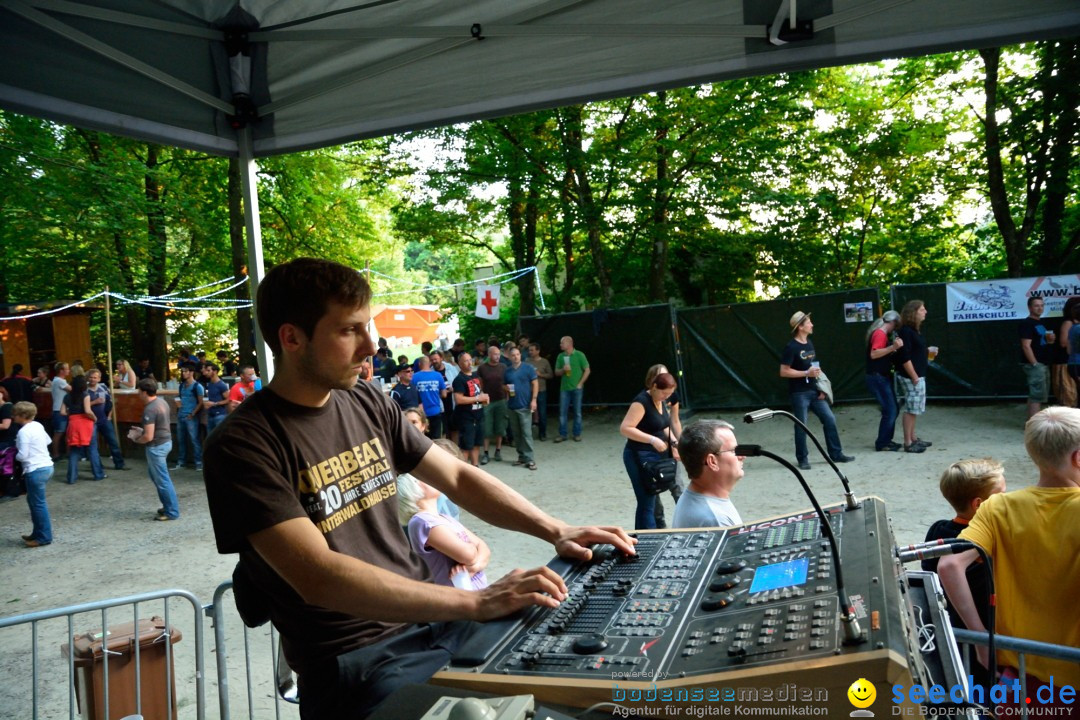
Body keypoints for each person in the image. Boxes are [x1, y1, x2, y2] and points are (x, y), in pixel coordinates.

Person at [201, 257, 634, 720]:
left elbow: (457, 475)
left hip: (437, 622)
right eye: (350, 330)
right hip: (357, 665)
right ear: (292, 338)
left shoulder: (364, 399)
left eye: (369, 327)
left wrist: (556, 530)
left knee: (597, 691)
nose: (372, 345)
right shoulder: (242, 445)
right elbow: (320, 576)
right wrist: (476, 601)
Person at [938, 407, 1080, 712]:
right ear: (1077, 458)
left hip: (1018, 673)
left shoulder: (997, 507)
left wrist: (980, 640)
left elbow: (949, 564)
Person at [921, 458, 1005, 690]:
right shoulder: (983, 542)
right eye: (1002, 495)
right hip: (980, 636)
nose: (1007, 500)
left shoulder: (938, 530)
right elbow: (950, 567)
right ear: (979, 504)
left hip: (949, 632)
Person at [779, 312, 854, 470]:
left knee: (830, 419)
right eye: (809, 322)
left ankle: (836, 454)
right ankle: (802, 459)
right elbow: (784, 371)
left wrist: (821, 388)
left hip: (814, 391)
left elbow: (814, 367)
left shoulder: (809, 343)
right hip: (799, 393)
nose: (812, 325)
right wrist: (806, 374)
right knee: (801, 425)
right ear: (800, 327)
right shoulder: (791, 347)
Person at [620, 371, 680, 529]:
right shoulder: (641, 402)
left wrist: (674, 443)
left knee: (651, 499)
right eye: (664, 393)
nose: (666, 397)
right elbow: (625, 428)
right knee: (646, 500)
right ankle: (648, 537)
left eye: (669, 394)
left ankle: (645, 536)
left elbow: (664, 425)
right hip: (638, 455)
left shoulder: (660, 401)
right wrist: (652, 439)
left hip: (656, 457)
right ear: (654, 386)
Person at [671, 419, 744, 529]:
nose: (742, 456)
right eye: (734, 450)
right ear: (712, 462)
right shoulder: (715, 520)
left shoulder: (696, 497)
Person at [128, 379, 179, 521]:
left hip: (156, 447)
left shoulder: (149, 409)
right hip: (165, 442)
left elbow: (148, 437)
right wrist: (142, 430)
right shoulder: (161, 402)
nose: (138, 394)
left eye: (139, 391)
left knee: (162, 480)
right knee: (157, 477)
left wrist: (135, 438)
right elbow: (157, 427)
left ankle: (171, 511)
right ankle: (168, 506)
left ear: (144, 392)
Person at [644, 364, 684, 528]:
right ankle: (660, 525)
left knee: (677, 485)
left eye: (668, 376)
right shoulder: (645, 399)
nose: (666, 381)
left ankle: (686, 521)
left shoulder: (672, 397)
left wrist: (680, 444)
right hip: (650, 449)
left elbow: (674, 421)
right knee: (654, 490)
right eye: (661, 377)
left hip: (668, 445)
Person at [894, 300, 933, 452]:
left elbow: (915, 351)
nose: (925, 312)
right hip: (911, 376)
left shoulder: (914, 330)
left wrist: (927, 351)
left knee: (915, 408)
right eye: (922, 309)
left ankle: (913, 438)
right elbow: (904, 356)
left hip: (917, 375)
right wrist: (914, 376)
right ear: (913, 312)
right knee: (911, 409)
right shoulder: (905, 331)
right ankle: (908, 443)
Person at [13, 402, 54, 547]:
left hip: (34, 469)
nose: (13, 417)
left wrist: (14, 455)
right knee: (34, 502)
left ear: (22, 416)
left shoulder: (23, 432)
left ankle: (43, 536)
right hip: (46, 466)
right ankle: (38, 532)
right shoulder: (37, 425)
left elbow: (23, 456)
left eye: (15, 414)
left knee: (37, 504)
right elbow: (48, 440)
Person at [865, 310, 904, 452]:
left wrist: (891, 349)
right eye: (896, 325)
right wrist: (893, 347)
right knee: (891, 410)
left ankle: (886, 440)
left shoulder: (878, 333)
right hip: (878, 377)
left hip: (879, 376)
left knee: (891, 409)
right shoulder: (880, 334)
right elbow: (874, 354)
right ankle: (882, 443)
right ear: (893, 322)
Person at [61, 375, 107, 484]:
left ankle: (71, 478)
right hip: (86, 424)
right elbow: (87, 411)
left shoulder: (66, 397)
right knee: (92, 450)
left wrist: (73, 414)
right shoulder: (85, 395)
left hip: (73, 423)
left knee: (74, 451)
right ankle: (98, 474)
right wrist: (94, 418)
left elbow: (62, 412)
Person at [1018, 296, 1054, 419]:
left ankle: (1032, 422)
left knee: (1036, 395)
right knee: (1037, 396)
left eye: (1042, 305)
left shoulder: (1040, 323)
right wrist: (1035, 364)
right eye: (1036, 305)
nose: (1040, 308)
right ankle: (1035, 425)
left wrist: (1050, 341)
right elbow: (1025, 345)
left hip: (1042, 363)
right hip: (1035, 364)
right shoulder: (1027, 323)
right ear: (1029, 307)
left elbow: (1041, 343)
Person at [504, 347, 538, 470]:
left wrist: (534, 399)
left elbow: (535, 383)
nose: (516, 357)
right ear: (509, 357)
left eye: (518, 354)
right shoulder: (507, 371)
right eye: (513, 355)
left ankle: (530, 459)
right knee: (516, 434)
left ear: (520, 355)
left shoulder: (528, 368)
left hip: (525, 405)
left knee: (526, 433)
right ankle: (521, 457)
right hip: (512, 406)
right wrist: (505, 388)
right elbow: (504, 385)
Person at [452, 352, 488, 466]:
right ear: (460, 364)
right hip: (467, 418)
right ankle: (464, 471)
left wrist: (484, 398)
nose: (469, 363)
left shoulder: (475, 375)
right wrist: (478, 398)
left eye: (470, 359)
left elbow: (478, 392)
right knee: (466, 447)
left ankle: (475, 467)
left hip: (479, 416)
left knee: (476, 444)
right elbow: (458, 399)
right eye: (466, 361)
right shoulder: (459, 379)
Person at [86, 369, 126, 471]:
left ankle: (119, 463)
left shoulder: (103, 387)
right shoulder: (84, 390)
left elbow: (110, 402)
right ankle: (97, 466)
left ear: (99, 378)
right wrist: (95, 402)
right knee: (93, 445)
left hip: (104, 419)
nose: (92, 379)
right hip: (90, 420)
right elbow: (82, 406)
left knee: (113, 441)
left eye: (95, 377)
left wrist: (110, 415)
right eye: (91, 377)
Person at [554, 335, 590, 443]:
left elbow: (587, 370)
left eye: (562, 343)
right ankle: (563, 434)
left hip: (577, 388)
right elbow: (556, 372)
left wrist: (580, 383)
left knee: (577, 412)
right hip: (564, 388)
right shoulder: (560, 356)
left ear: (569, 344)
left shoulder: (579, 355)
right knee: (562, 412)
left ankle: (577, 434)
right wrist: (563, 370)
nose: (560, 345)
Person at [476, 346, 509, 464]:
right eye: (495, 354)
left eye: (499, 354)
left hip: (501, 400)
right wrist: (481, 394)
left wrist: (508, 393)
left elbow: (507, 382)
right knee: (487, 427)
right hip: (487, 401)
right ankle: (485, 453)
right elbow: (479, 383)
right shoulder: (482, 368)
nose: (497, 356)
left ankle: (498, 450)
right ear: (489, 355)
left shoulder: (504, 367)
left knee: (500, 426)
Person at [174, 363, 204, 470]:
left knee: (194, 439)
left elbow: (200, 402)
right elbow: (180, 398)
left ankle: (198, 462)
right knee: (180, 439)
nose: (183, 373)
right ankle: (181, 461)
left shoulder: (197, 386)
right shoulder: (182, 385)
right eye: (182, 371)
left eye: (186, 371)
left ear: (191, 373)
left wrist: (193, 413)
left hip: (190, 416)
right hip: (181, 414)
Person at [412, 356, 447, 439]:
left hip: (421, 413)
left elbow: (412, 394)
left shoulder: (414, 377)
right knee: (437, 439)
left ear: (419, 364)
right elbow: (444, 394)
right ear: (430, 363)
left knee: (424, 439)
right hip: (436, 411)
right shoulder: (438, 375)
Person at [525, 343, 553, 442]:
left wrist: (540, 374)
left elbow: (550, 375)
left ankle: (542, 433)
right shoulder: (527, 361)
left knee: (542, 412)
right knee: (527, 412)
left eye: (532, 350)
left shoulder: (545, 362)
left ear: (538, 351)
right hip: (529, 391)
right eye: (529, 350)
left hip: (541, 390)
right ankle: (528, 434)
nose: (530, 352)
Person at [49, 362, 71, 459]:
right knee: (59, 433)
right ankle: (56, 454)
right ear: (61, 370)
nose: (68, 370)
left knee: (65, 432)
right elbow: (72, 390)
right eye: (67, 368)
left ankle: (67, 452)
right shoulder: (59, 381)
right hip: (59, 410)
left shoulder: (58, 380)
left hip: (61, 409)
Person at [202, 363, 230, 435]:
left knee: (219, 437)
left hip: (219, 415)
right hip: (210, 415)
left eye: (208, 370)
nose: (206, 373)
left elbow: (228, 399)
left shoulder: (221, 385)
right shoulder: (210, 383)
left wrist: (214, 404)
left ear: (214, 372)